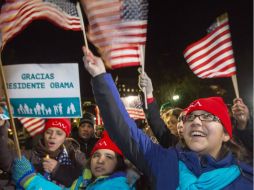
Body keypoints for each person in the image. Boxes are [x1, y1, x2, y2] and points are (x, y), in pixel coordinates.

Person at [80, 50, 252, 189]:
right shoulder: (165, 161)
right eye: (190, 117)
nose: (197, 122)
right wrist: (101, 77)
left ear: (226, 134)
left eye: (207, 117)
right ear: (182, 130)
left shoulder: (246, 179)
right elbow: (125, 131)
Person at [11, 131, 133, 190]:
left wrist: (31, 180)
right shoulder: (85, 180)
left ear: (118, 163)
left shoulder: (116, 186)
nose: (100, 160)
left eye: (109, 157)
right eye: (96, 155)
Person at [0, 117, 86, 187]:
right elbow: (7, 163)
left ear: (65, 137)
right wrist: (2, 128)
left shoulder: (74, 155)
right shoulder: (30, 155)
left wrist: (57, 169)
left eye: (59, 133)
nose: (52, 136)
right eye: (48, 132)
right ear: (43, 134)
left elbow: (82, 180)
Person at [139, 72, 185, 147]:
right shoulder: (171, 143)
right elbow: (155, 121)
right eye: (167, 123)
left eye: (173, 122)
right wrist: (148, 93)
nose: (169, 125)